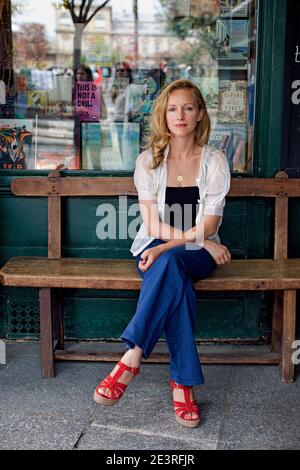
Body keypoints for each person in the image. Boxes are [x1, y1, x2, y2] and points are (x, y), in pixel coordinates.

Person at [93, 79, 231, 428]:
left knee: (168, 261)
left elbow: (211, 222)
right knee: (176, 283)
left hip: (197, 252)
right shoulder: (148, 161)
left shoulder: (214, 161)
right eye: (172, 109)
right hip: (162, 246)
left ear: (200, 114)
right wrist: (187, 240)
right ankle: (183, 385)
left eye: (187, 108)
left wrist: (180, 244)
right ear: (163, 115)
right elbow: (152, 227)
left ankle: (132, 355)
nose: (180, 115)